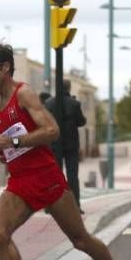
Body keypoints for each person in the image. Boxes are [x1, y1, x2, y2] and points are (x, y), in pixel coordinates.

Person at [0, 43, 131, 260]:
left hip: (47, 178)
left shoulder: (23, 93)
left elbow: (51, 131)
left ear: (5, 67)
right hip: (20, 182)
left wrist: (12, 141)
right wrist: (3, 152)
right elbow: (16, 145)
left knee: (80, 240)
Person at [45, 80, 87, 212]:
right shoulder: (74, 104)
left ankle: (51, 206)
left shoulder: (49, 103)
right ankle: (76, 206)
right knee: (72, 176)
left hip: (54, 144)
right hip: (71, 145)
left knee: (54, 176)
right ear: (69, 88)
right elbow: (81, 122)